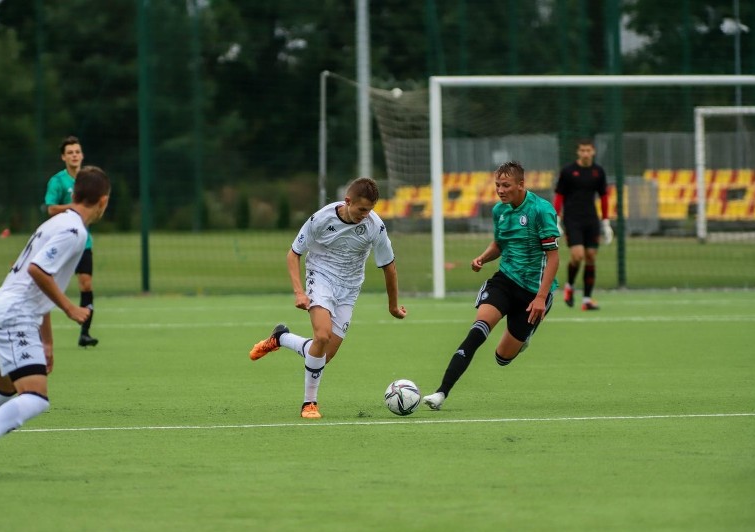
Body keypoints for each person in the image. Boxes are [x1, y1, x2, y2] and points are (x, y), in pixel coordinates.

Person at [0, 166, 111, 482]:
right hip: (14, 314)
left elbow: (34, 275)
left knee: (6, 386)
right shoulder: (74, 232)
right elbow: (38, 271)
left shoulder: (56, 222)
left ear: (74, 195)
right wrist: (70, 309)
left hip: (0, 306)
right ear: (103, 201)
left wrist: (46, 340)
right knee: (35, 397)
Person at [248, 177, 407, 419]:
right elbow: (293, 254)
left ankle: (281, 338)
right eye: (362, 209)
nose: (365, 215)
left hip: (349, 288)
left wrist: (393, 306)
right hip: (320, 278)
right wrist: (299, 292)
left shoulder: (376, 226)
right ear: (347, 201)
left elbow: (389, 267)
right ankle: (309, 404)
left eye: (370, 210)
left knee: (324, 355)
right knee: (322, 336)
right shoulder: (321, 219)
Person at [422, 161, 559, 411]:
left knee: (502, 358)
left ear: (521, 184)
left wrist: (541, 297)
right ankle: (441, 393)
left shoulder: (542, 210)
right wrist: (483, 258)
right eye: (497, 185)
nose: (500, 190)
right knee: (477, 330)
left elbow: (553, 257)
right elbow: (499, 244)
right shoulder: (500, 211)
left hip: (533, 293)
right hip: (505, 282)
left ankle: (524, 336)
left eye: (506, 185)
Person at [45, 136, 100, 346]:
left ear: (82, 155)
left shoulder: (89, 180)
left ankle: (85, 333)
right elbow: (50, 208)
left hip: (83, 242)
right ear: (63, 157)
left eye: (77, 152)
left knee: (86, 284)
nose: (74, 155)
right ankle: (38, 329)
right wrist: (73, 208)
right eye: (70, 152)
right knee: (49, 284)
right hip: (62, 241)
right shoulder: (57, 181)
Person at [553, 139, 613, 311]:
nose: (585, 153)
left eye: (588, 150)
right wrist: (556, 218)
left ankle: (586, 300)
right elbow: (559, 195)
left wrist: (606, 222)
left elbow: (603, 197)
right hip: (572, 219)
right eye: (582, 150)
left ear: (593, 151)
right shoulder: (568, 171)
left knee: (591, 256)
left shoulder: (598, 172)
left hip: (591, 219)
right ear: (578, 152)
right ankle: (569, 286)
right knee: (578, 256)